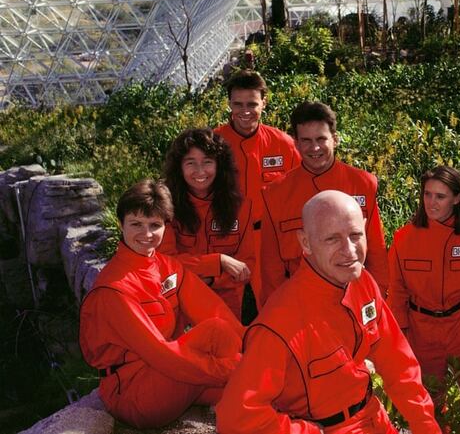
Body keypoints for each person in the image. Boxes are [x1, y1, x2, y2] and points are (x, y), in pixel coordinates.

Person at [216, 190, 441, 434]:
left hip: (374, 419)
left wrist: (426, 426)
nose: (350, 251)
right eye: (332, 239)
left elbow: (398, 363)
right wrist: (303, 431)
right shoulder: (279, 323)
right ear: (305, 243)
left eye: (355, 235)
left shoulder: (362, 282)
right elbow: (234, 417)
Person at [79, 179, 244, 429]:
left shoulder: (168, 267)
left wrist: (254, 347)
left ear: (166, 226)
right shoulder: (113, 289)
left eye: (155, 225)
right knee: (241, 380)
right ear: (121, 224)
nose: (146, 234)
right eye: (136, 224)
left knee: (221, 334)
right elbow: (163, 356)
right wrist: (232, 368)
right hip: (134, 393)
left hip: (170, 376)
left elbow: (216, 312)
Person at [260, 101, 390, 305]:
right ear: (296, 143)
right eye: (306, 140)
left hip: (354, 297)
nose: (315, 148)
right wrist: (280, 308)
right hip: (301, 302)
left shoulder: (362, 184)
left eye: (321, 139)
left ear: (335, 139)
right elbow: (271, 266)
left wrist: (376, 300)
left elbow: (376, 252)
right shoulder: (275, 194)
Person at [387, 166, 460, 416]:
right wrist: (403, 341)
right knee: (428, 404)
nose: (431, 203)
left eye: (440, 196)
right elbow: (397, 294)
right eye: (427, 194)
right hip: (420, 330)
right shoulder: (404, 238)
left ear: (457, 199)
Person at [159, 128, 259, 322]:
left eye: (207, 162)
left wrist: (211, 279)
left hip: (226, 307)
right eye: (190, 163)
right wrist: (218, 262)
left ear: (220, 165)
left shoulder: (241, 207)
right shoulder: (166, 206)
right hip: (180, 304)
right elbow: (165, 262)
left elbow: (247, 267)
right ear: (179, 167)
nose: (200, 171)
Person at [214, 69, 301, 215]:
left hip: (271, 227)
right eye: (238, 104)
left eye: (252, 104)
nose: (245, 111)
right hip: (227, 227)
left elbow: (302, 188)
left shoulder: (284, 144)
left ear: (263, 103)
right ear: (230, 104)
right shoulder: (212, 143)